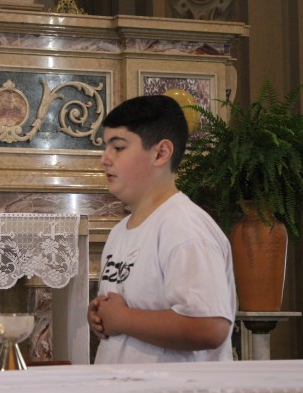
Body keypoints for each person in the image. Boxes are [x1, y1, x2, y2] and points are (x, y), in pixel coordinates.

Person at [87, 95, 236, 364]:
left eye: (118, 147)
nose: (104, 159)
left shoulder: (184, 227)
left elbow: (210, 328)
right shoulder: (120, 231)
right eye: (105, 147)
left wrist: (123, 319)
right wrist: (100, 315)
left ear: (160, 153)